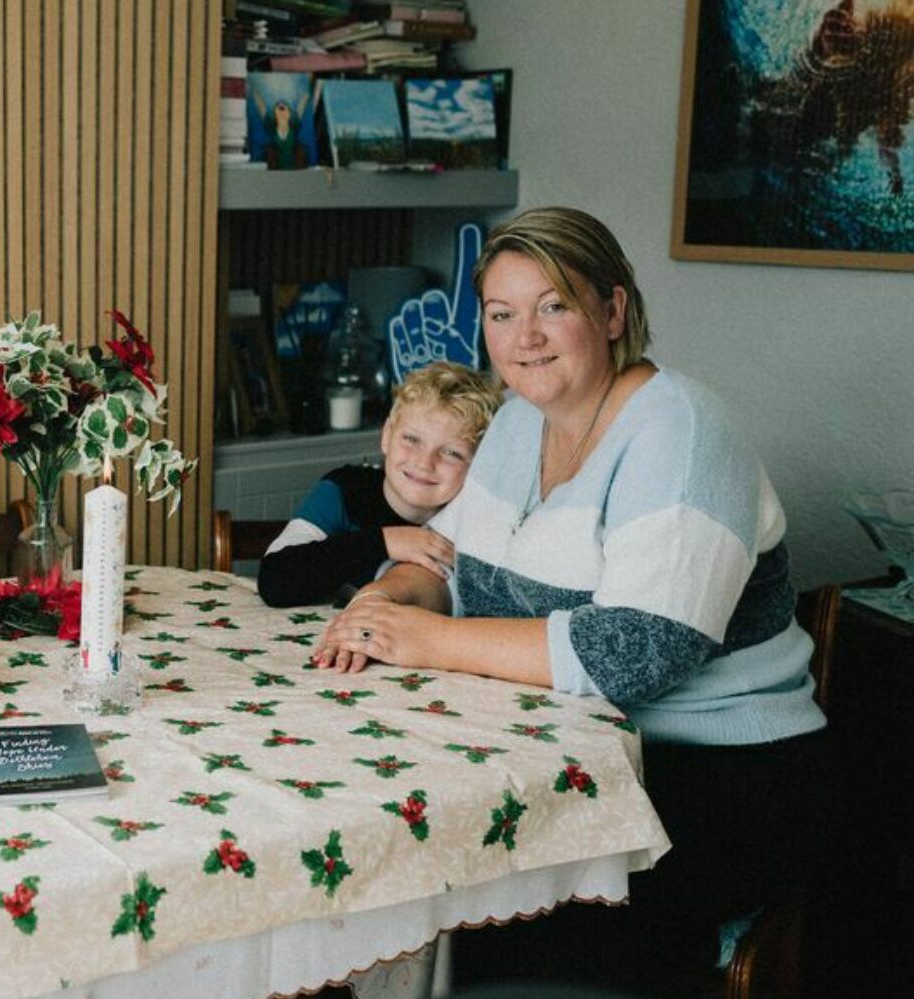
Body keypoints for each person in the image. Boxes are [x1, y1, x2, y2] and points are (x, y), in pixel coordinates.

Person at [314, 207, 831, 996]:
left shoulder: (681, 430)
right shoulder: (520, 421)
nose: (526, 336)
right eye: (502, 313)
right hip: (563, 746)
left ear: (612, 310)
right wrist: (379, 607)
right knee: (391, 862)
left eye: (553, 304)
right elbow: (447, 562)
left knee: (479, 907)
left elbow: (634, 652)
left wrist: (424, 639)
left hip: (717, 771)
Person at [259, 361, 500, 608]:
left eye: (451, 453)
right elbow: (275, 581)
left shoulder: (474, 520)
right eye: (411, 439)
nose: (424, 463)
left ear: (478, 465)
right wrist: (385, 542)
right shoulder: (345, 490)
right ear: (386, 436)